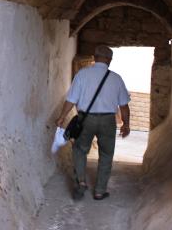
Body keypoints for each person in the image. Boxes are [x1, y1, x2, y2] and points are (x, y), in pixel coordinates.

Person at [55, 45, 131, 200]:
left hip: (86, 119)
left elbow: (71, 99)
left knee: (79, 150)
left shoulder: (82, 75)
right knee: (106, 154)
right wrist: (126, 124)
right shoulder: (116, 79)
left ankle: (81, 182)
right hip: (108, 121)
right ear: (109, 60)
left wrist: (62, 116)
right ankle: (100, 191)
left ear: (94, 57)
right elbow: (124, 106)